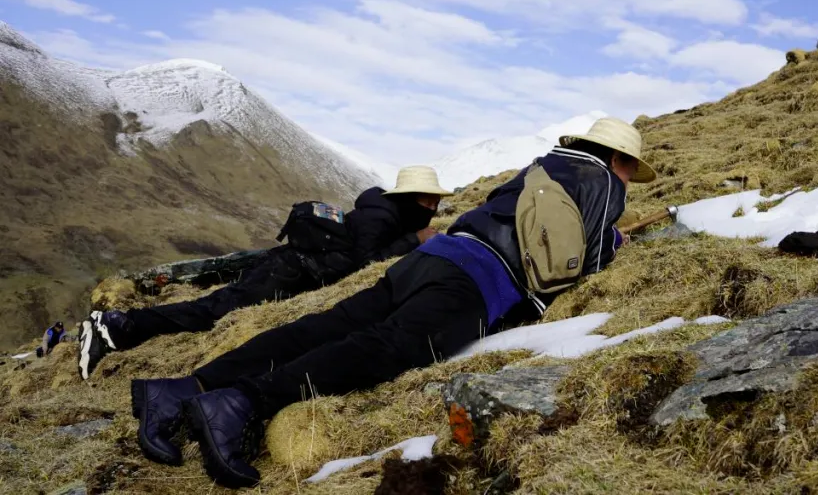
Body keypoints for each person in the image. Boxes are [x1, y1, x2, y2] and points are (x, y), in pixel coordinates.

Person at [129, 117, 655, 488]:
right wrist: (614, 242)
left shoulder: (541, 166)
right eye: (631, 167)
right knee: (387, 347)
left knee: (329, 324)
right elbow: (578, 254)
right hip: (477, 281)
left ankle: (183, 389)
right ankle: (240, 403)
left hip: (435, 258)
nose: (629, 177)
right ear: (618, 158)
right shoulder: (605, 181)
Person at [76, 166, 450, 381]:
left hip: (289, 267)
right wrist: (414, 239)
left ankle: (120, 328)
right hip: (287, 273)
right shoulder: (383, 216)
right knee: (212, 311)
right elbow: (361, 261)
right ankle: (120, 324)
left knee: (214, 307)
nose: (433, 205)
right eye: (426, 199)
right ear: (407, 196)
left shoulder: (387, 213)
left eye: (436, 200)